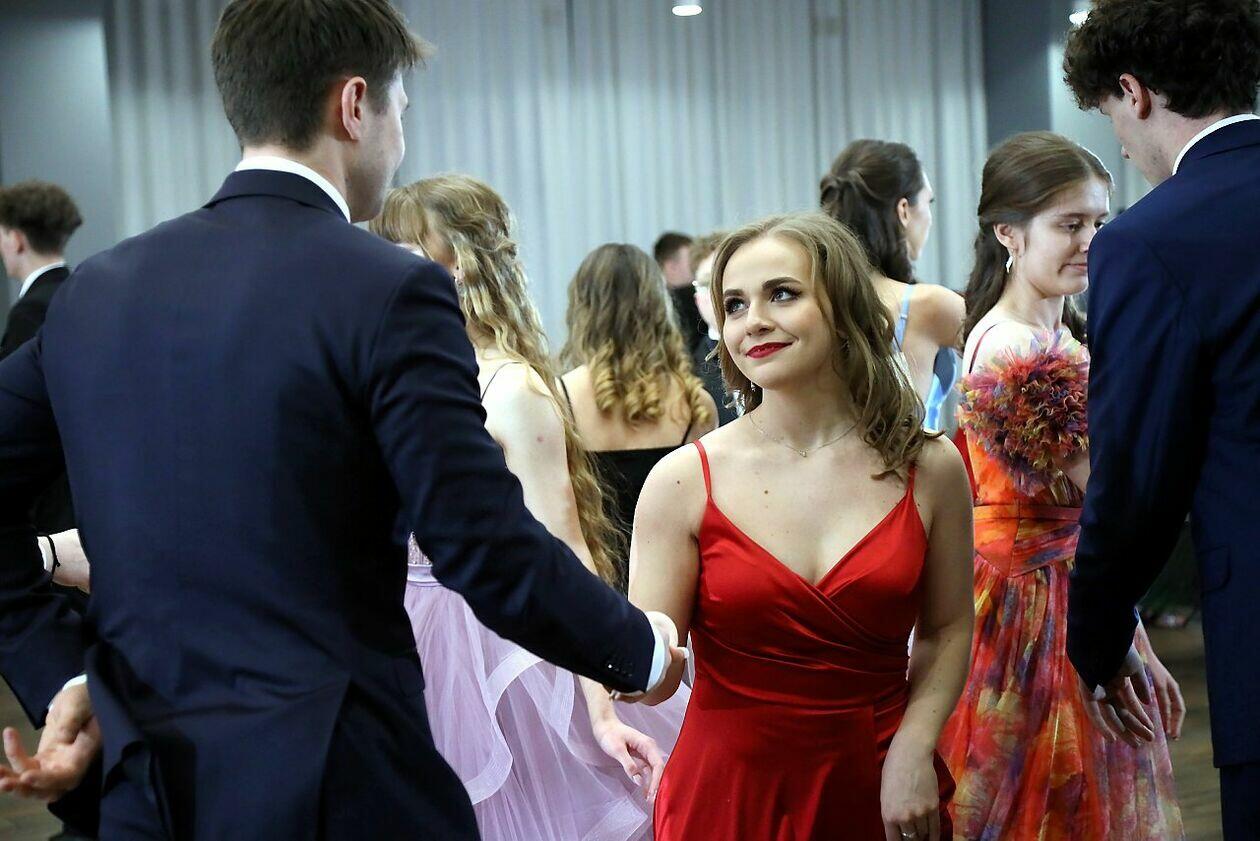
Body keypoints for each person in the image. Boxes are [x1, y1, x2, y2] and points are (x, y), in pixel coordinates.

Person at [0, 1, 682, 837]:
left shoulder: (96, 293)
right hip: (338, 786)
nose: (400, 138)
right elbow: (482, 542)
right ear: (355, 106)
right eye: (402, 111)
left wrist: (67, 672)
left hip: (147, 791)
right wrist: (640, 649)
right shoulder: (388, 289)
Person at [627, 211, 974, 840]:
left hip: (882, 781)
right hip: (729, 793)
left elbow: (947, 629)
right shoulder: (682, 482)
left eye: (782, 294)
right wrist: (633, 667)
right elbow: (655, 670)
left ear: (842, 307)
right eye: (735, 305)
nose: (753, 320)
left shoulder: (930, 467)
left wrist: (915, 745)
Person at [371, 175, 688, 840]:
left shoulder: (510, 387)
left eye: (408, 251)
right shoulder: (393, 369)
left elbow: (563, 544)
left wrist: (601, 708)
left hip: (491, 644)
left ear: (461, 264)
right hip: (399, 630)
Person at [938, 131, 1184, 838]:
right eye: (1069, 224)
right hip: (1035, 601)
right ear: (1007, 232)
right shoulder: (1016, 345)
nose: (1089, 241)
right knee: (1052, 802)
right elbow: (1109, 499)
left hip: (1059, 582)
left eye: (1098, 222)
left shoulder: (1044, 332)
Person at [1062, 3, 1260, 836]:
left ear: (1134, 93)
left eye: (1110, 116)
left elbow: (1138, 473)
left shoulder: (1152, 238)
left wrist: (1098, 635)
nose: (1121, 143)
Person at [561, 244, 716, 586]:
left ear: (582, 307)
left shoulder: (556, 399)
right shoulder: (696, 405)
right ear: (659, 306)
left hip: (589, 585)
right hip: (673, 583)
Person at [820, 140, 964, 431]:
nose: (930, 217)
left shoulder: (814, 300)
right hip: (915, 461)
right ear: (904, 210)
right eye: (929, 202)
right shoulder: (930, 305)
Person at [687, 232, 738, 426]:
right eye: (707, 283)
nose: (718, 291)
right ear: (697, 299)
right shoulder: (688, 374)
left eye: (726, 278)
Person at [653, 232, 705, 353]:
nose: (697, 267)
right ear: (672, 267)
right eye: (692, 262)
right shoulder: (688, 300)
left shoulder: (649, 305)